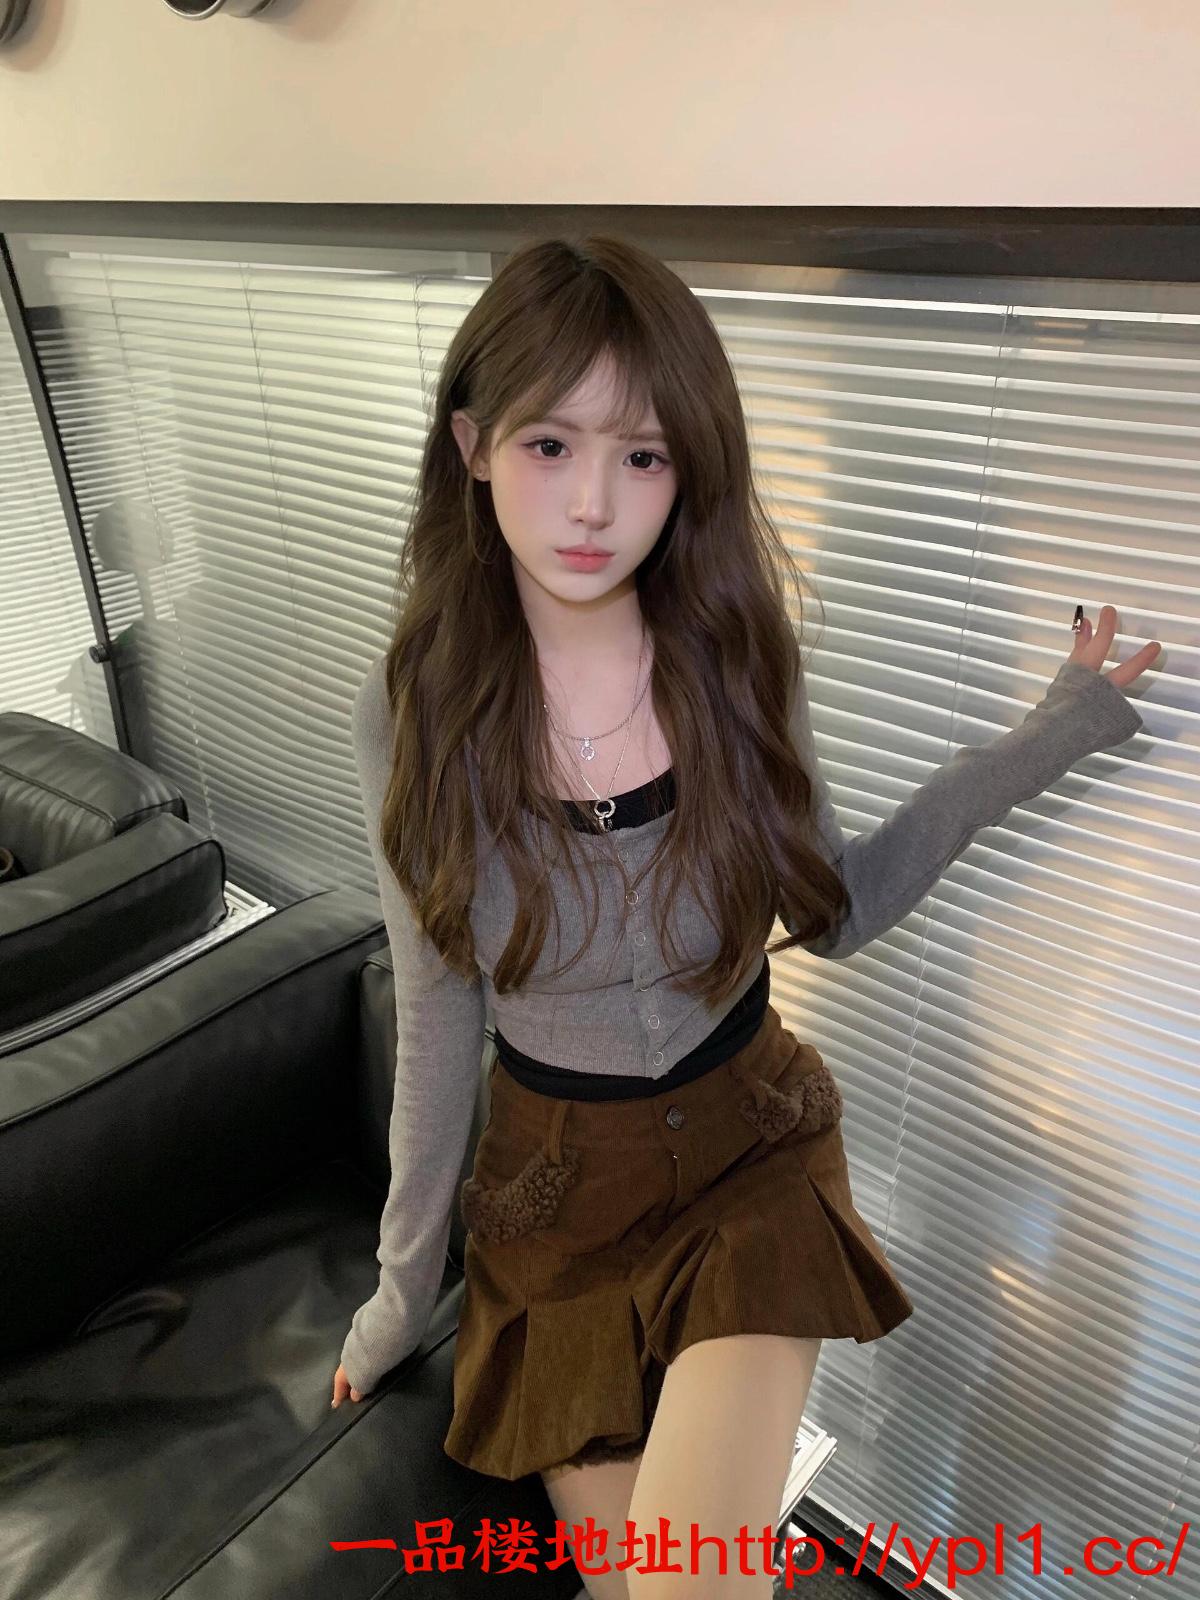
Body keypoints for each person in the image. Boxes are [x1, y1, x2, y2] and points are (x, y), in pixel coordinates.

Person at [329, 233, 1159, 1599]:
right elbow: (437, 1014)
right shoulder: (411, 713)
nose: (593, 501)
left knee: (689, 1584)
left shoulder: (731, 664)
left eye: (643, 455)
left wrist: (1049, 734)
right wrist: (398, 1295)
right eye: (550, 443)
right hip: (557, 1202)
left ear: (688, 471)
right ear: (473, 446)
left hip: (745, 1160)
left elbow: (838, 907)